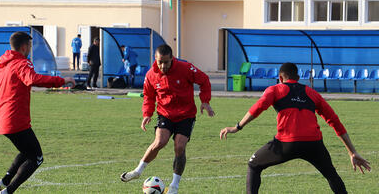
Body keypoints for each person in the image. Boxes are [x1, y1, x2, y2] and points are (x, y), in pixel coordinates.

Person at [220, 62, 371, 194]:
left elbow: (258, 107)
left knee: (253, 165)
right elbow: (334, 121)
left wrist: (237, 127)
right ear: (298, 78)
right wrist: (352, 152)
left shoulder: (275, 90)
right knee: (331, 175)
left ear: (280, 78)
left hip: (286, 143)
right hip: (313, 144)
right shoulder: (313, 93)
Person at [0, 31, 76, 194]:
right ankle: (8, 191)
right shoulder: (21, 63)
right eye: (29, 45)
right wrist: (62, 80)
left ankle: (5, 180)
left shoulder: (1, 65)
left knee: (26, 150)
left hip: (3, 118)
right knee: (36, 157)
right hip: (15, 119)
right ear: (23, 47)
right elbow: (33, 79)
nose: (30, 48)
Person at [120, 44, 215, 194]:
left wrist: (205, 101)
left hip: (186, 115)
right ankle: (137, 171)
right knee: (159, 142)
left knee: (179, 147)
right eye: (160, 62)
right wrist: (147, 114)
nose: (163, 66)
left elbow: (204, 80)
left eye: (166, 62)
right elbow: (149, 97)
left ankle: (174, 186)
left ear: (172, 59)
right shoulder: (151, 75)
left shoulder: (185, 68)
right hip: (165, 114)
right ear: (155, 59)